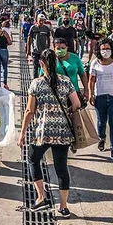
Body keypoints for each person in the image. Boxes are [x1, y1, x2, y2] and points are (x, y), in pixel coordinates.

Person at [19, 48, 81, 216]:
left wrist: (23, 132)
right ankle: (63, 206)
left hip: (43, 132)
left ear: (41, 63)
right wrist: (66, 112)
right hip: (63, 132)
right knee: (61, 168)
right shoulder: (66, 81)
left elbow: (29, 111)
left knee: (33, 159)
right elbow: (76, 104)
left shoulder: (36, 83)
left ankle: (41, 197)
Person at [26, 14, 52, 80]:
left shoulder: (46, 29)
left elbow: (48, 39)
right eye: (40, 20)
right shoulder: (33, 28)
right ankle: (35, 81)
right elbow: (29, 39)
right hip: (35, 51)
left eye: (43, 20)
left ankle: (42, 80)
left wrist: (48, 49)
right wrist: (28, 50)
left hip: (44, 51)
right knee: (35, 67)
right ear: (37, 20)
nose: (41, 22)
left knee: (43, 67)